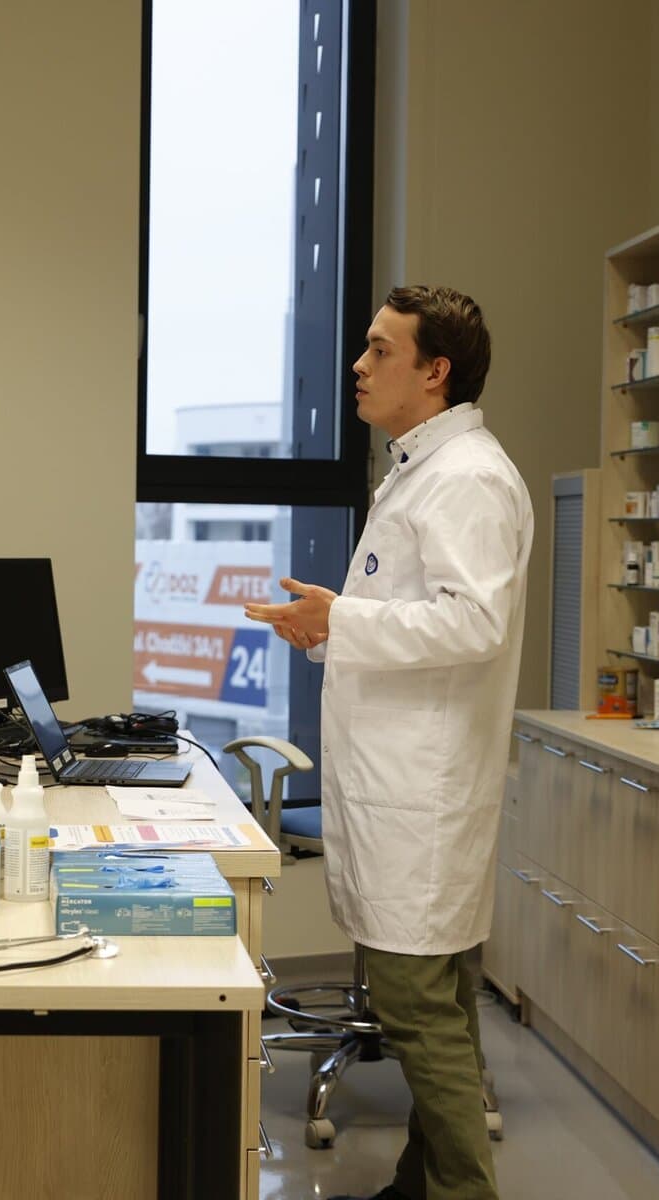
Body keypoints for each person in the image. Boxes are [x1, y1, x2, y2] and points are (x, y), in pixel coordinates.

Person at [244, 285, 532, 1200]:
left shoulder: (468, 478)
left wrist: (346, 621)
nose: (358, 366)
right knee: (435, 1001)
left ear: (435, 371)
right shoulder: (419, 471)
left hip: (424, 795)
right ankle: (422, 1183)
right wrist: (329, 626)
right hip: (403, 787)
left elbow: (473, 623)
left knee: (417, 1005)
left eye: (379, 350)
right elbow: (409, 620)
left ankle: (463, 1190)